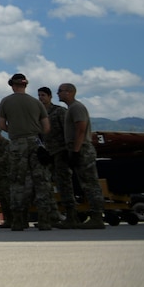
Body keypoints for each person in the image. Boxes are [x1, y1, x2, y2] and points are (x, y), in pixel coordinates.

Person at [0, 72, 54, 231]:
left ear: (12, 85)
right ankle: (45, 221)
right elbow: (47, 128)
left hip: (17, 143)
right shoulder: (37, 103)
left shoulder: (5, 102)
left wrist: (15, 132)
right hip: (36, 142)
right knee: (41, 182)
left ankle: (19, 221)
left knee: (17, 182)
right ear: (25, 85)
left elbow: (1, 125)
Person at [57, 83, 105, 229]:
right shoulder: (71, 109)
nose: (58, 93)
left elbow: (81, 129)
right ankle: (75, 218)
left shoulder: (77, 107)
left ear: (69, 92)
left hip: (82, 148)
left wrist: (76, 151)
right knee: (85, 184)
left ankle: (97, 217)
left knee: (90, 184)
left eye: (60, 91)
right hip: (76, 148)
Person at [38, 86, 77, 227]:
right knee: (46, 185)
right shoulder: (39, 115)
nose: (41, 98)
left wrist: (69, 149)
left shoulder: (59, 111)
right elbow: (39, 135)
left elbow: (68, 130)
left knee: (64, 184)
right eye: (39, 95)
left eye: (43, 95)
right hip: (48, 154)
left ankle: (71, 216)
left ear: (49, 97)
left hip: (61, 151)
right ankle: (53, 215)